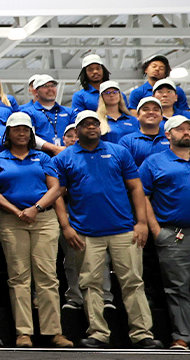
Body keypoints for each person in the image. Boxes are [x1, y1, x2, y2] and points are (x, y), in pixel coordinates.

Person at [52, 110, 163, 349]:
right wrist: (66, 227)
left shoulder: (119, 152)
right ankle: (98, 333)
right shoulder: (64, 157)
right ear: (77, 129)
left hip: (123, 229)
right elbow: (57, 195)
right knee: (90, 284)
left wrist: (141, 223)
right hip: (85, 232)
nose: (91, 127)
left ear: (100, 128)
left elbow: (136, 188)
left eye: (95, 124)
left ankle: (142, 334)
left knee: (133, 282)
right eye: (85, 124)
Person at [0, 112, 71, 348]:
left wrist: (35, 208)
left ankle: (54, 332)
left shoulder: (43, 157)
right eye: (16, 129)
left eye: (25, 129)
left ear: (32, 133)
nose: (21, 133)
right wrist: (15, 211)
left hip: (43, 218)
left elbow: (55, 188)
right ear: (8, 133)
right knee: (19, 277)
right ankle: (24, 332)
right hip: (12, 221)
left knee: (47, 276)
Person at [140, 115, 190, 350]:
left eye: (189, 128)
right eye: (180, 129)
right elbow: (142, 196)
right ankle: (183, 336)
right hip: (173, 233)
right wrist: (156, 231)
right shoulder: (154, 162)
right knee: (177, 287)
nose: (186, 132)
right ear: (168, 135)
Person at [21, 75, 71, 151]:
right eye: (45, 86)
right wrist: (54, 149)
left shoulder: (69, 112)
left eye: (53, 85)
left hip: (67, 155)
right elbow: (30, 135)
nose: (50, 89)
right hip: (40, 157)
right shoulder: (27, 113)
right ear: (35, 91)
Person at [119, 97, 170, 166]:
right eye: (146, 109)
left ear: (161, 116)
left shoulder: (171, 139)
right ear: (138, 116)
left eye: (156, 109)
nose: (151, 112)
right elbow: (126, 169)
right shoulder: (127, 141)